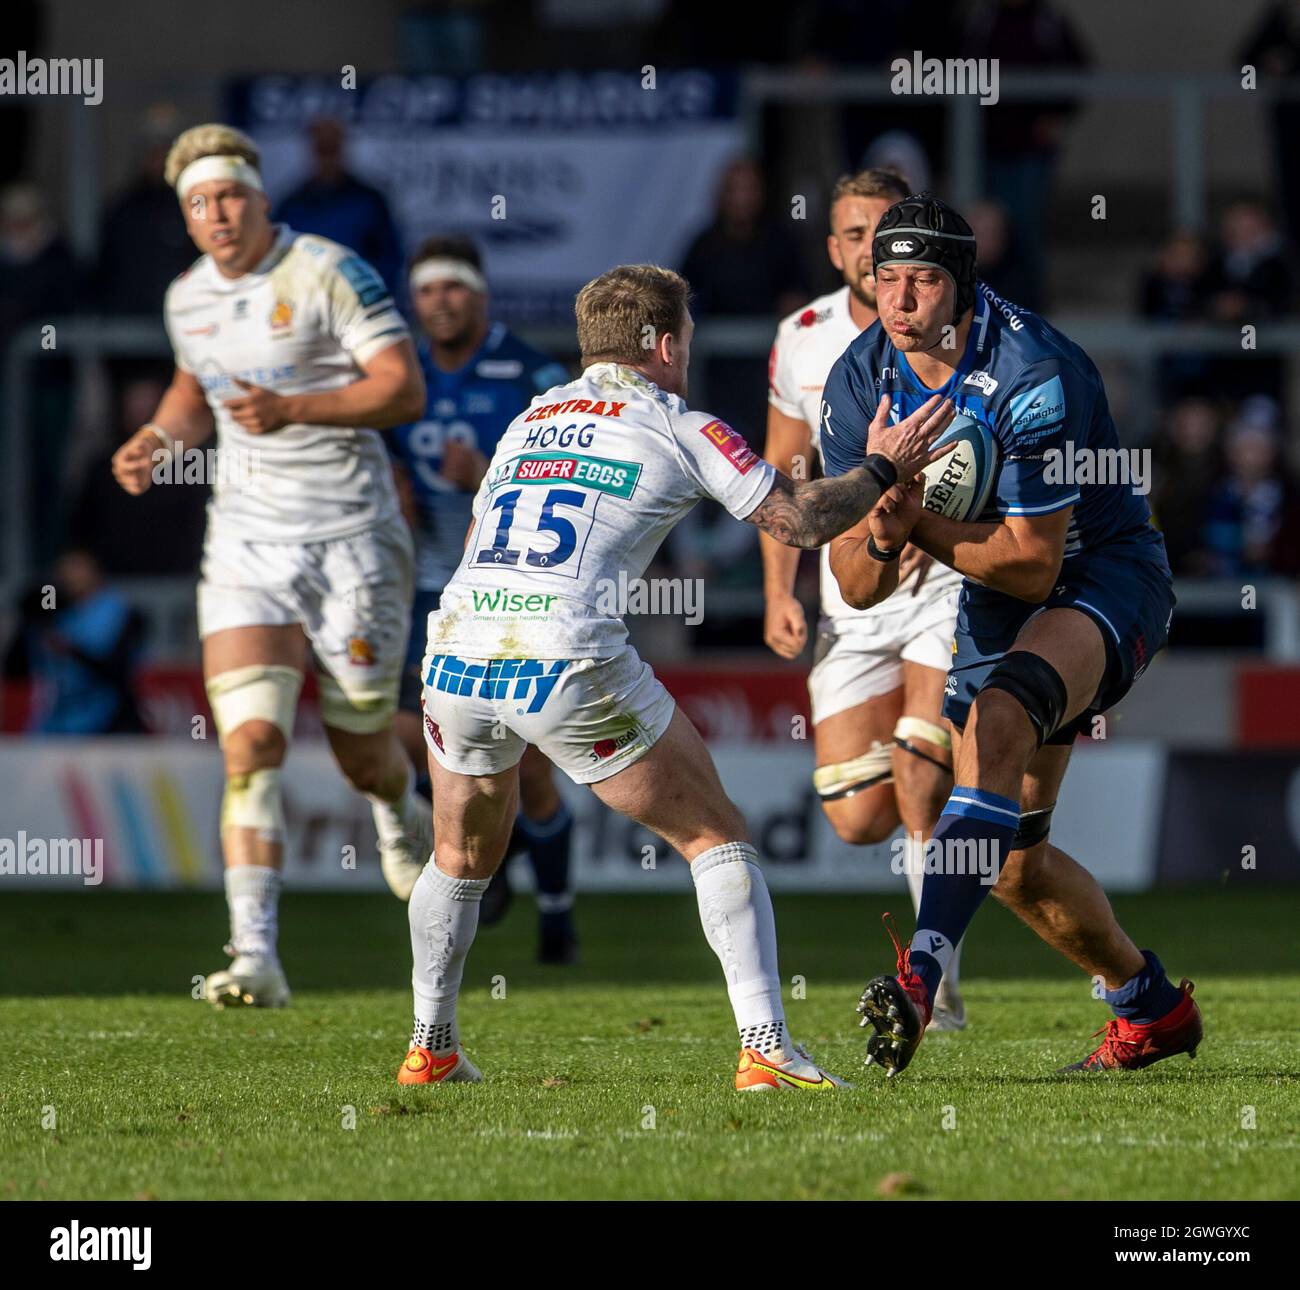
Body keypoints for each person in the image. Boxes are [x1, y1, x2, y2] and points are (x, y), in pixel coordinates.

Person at [395, 263, 953, 1089]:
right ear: (663, 344)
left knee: (458, 855)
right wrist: (879, 469)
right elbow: (798, 523)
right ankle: (765, 1049)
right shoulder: (675, 421)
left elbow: (482, 527)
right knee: (715, 835)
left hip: (456, 649)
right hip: (564, 650)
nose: (686, 358)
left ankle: (429, 1047)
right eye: (685, 342)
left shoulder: (529, 418)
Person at [820, 194, 1202, 1076]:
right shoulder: (857, 381)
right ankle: (1150, 1007)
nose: (901, 300)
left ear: (962, 287)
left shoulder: (1035, 371)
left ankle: (919, 975)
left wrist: (912, 524)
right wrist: (882, 526)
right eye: (886, 278)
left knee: (997, 721)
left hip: (1105, 574)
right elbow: (857, 585)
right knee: (1011, 864)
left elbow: (1034, 563)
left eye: (923, 280)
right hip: (993, 597)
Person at [111, 124, 429, 1008]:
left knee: (364, 750)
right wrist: (155, 438)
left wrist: (294, 406)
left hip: (355, 540)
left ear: (261, 198)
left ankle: (399, 815)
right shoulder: (188, 299)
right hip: (248, 544)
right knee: (251, 746)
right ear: (186, 217)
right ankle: (255, 955)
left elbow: (403, 387)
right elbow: (192, 388)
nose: (218, 214)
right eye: (199, 204)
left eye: (232, 196)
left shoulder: (327, 268)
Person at [762, 168, 969, 1031]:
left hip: (943, 579)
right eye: (852, 234)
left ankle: (934, 981)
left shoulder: (963, 333)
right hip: (852, 587)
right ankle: (975, 808)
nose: (868, 250)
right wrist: (780, 586)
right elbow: (782, 475)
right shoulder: (803, 337)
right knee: (856, 815)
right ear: (835, 246)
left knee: (922, 771)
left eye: (883, 233)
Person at [387, 235, 580, 963]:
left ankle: (557, 912)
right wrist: (390, 484)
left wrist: (490, 476)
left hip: (509, 586)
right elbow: (369, 447)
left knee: (529, 764)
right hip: (422, 587)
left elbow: (569, 469)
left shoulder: (529, 371)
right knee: (407, 738)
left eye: (455, 287)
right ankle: (488, 860)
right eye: (429, 289)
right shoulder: (396, 370)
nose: (442, 301)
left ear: (481, 295)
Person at [2, 550, 147, 735]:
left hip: (107, 724)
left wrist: (71, 650)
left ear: (95, 573)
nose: (69, 576)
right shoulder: (53, 609)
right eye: (64, 569)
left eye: (77, 568)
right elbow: (14, 671)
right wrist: (29, 622)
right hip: (54, 728)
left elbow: (119, 672)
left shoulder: (120, 614)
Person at [275, 118, 404, 297]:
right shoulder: (291, 206)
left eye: (332, 149)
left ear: (342, 149)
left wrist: (374, 296)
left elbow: (390, 258)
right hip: (308, 302)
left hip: (358, 302)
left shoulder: (369, 201)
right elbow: (277, 259)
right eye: (322, 149)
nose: (327, 158)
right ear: (312, 151)